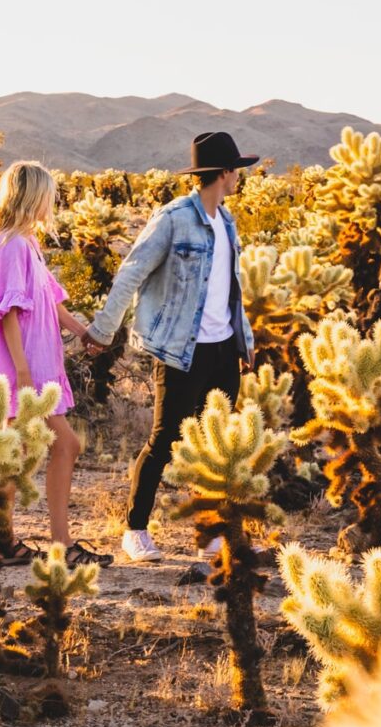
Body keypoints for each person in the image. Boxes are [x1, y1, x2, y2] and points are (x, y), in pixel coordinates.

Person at [83, 132, 258, 562]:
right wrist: (104, 330)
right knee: (164, 441)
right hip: (182, 349)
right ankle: (135, 529)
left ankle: (210, 531)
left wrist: (245, 338)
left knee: (215, 444)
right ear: (224, 173)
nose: (240, 177)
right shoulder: (174, 217)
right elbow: (131, 273)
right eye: (237, 169)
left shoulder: (228, 221)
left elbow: (231, 288)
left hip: (223, 348)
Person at [0, 160, 114, 567]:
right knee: (63, 445)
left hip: (35, 363)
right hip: (22, 366)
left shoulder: (26, 243)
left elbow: (50, 300)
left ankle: (3, 541)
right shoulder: (12, 245)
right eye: (49, 194)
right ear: (34, 195)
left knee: (14, 452)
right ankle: (60, 545)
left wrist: (83, 332)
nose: (52, 203)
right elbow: (8, 312)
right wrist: (21, 370)